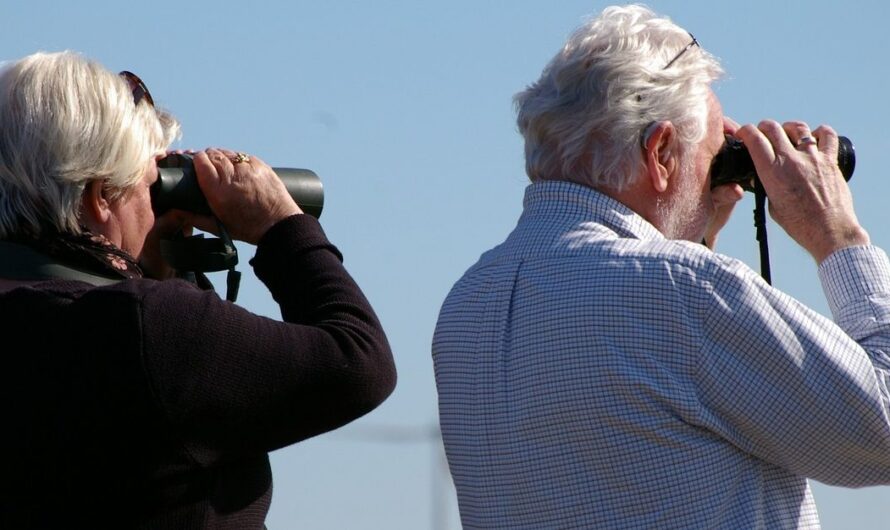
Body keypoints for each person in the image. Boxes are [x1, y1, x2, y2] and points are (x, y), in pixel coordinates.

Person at [432, 5, 890, 529]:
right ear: (661, 152)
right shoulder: (681, 290)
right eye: (716, 153)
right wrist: (839, 238)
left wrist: (696, 234)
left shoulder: (468, 305)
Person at [0, 51, 396, 528]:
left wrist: (156, 265)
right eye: (151, 187)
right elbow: (357, 362)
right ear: (101, 196)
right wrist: (282, 226)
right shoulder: (145, 328)